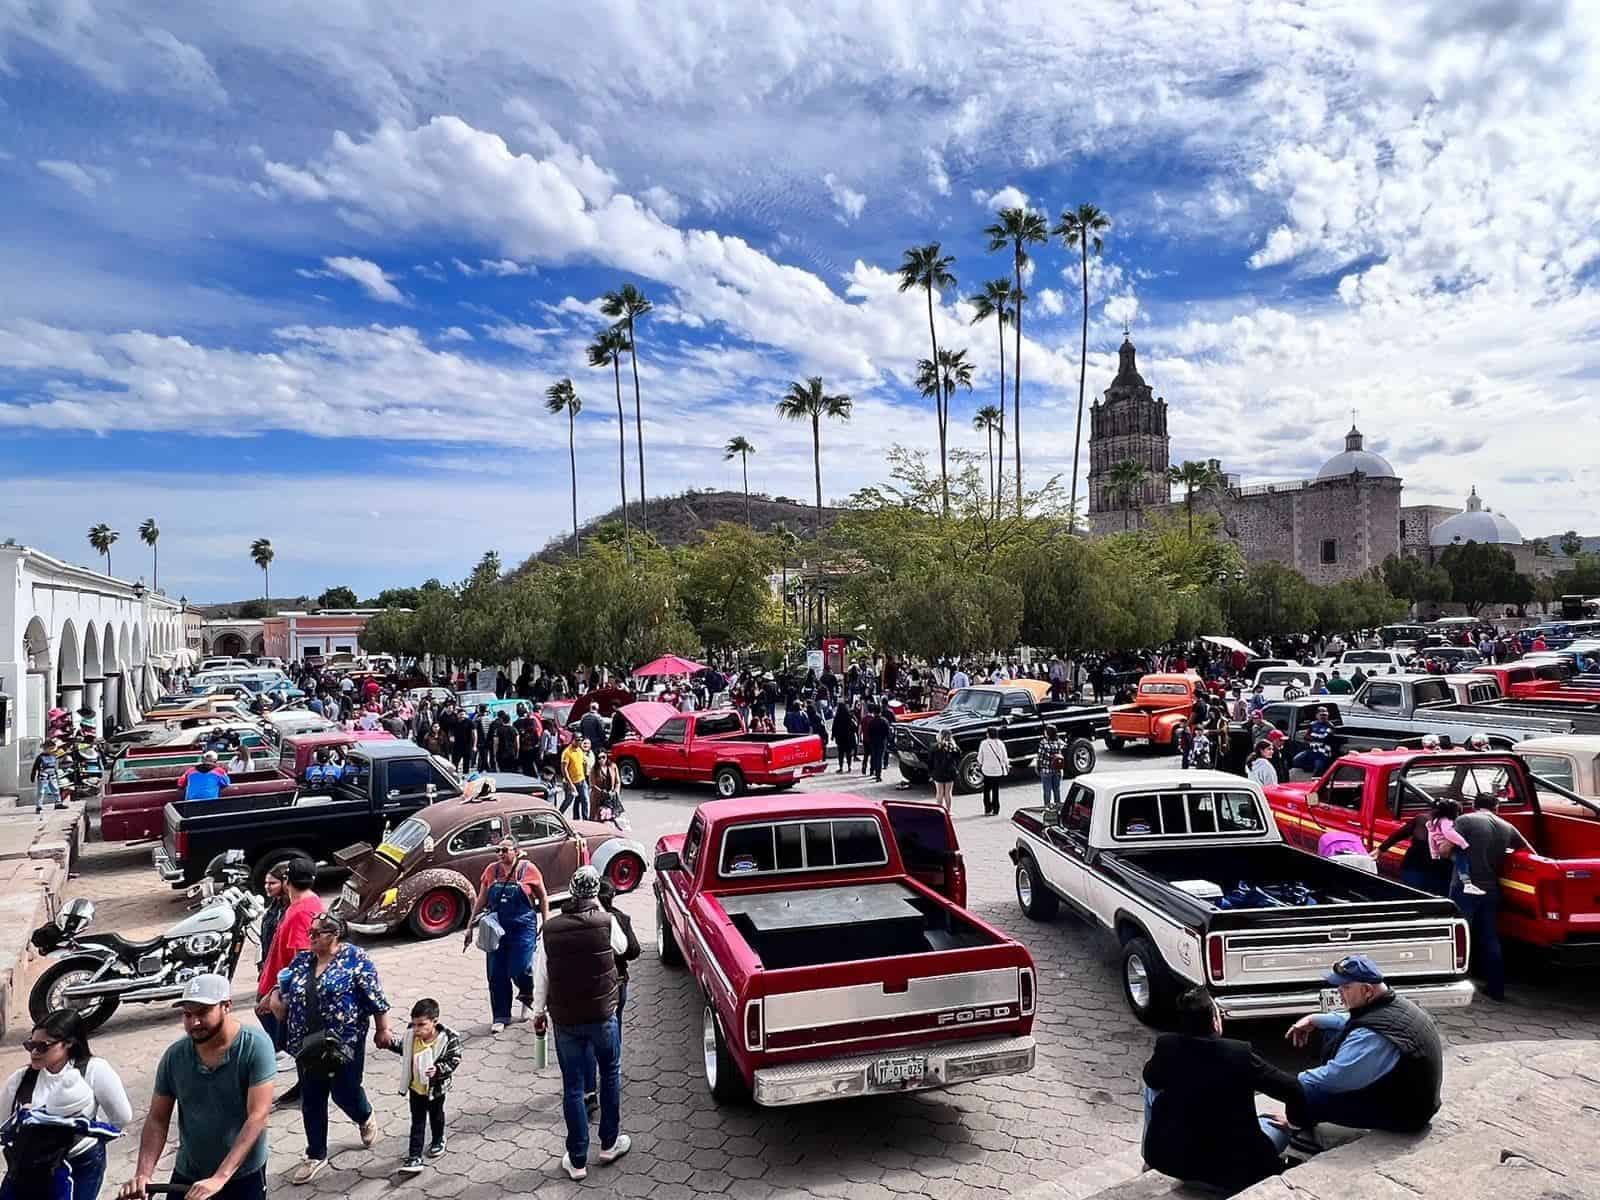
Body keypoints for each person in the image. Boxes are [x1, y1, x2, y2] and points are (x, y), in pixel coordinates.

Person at [119, 974, 275, 1200]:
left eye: (202, 1013)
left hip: (241, 1173)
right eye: (187, 1014)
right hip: (189, 1171)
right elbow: (157, 1119)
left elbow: (258, 1116)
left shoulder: (255, 1046)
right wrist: (143, 1174)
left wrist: (220, 1177)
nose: (194, 1023)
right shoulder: (175, 1057)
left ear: (226, 1006)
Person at [267, 914, 395, 1184]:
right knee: (312, 1099)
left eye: (317, 934)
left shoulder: (355, 959)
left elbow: (376, 998)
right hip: (306, 1043)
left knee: (345, 1092)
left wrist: (383, 1029)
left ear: (334, 934)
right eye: (310, 933)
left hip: (344, 1043)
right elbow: (283, 984)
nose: (310, 938)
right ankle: (315, 1153)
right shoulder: (303, 960)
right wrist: (276, 999)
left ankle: (364, 1115)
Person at [1141, 988, 1302, 1194]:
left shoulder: (1167, 1046)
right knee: (1272, 1123)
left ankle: (1149, 1157)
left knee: (1151, 1089)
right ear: (1215, 1022)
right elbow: (1293, 1088)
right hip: (1234, 1169)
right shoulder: (1239, 1054)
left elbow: (1151, 1078)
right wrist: (1295, 1123)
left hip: (1175, 1161)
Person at [531, 866, 631, 1181]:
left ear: (572, 893)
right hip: (603, 1015)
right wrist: (599, 908)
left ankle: (576, 1161)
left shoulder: (550, 929)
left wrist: (538, 1012)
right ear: (595, 895)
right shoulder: (606, 921)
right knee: (610, 1075)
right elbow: (623, 948)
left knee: (573, 1088)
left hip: (566, 1021)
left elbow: (541, 975)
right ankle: (609, 1144)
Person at [1281, 956, 1444, 1137]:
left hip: (1406, 1115)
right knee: (1331, 1031)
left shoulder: (1373, 1035)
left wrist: (1296, 1082)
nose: (1339, 992)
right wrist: (1314, 1019)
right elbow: (1350, 1020)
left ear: (1367, 990)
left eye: (1345, 987)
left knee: (1306, 1093)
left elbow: (1335, 1077)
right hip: (1413, 1097)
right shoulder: (1392, 1003)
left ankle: (1294, 1130)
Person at [2, 1010, 132, 1200]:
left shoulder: (94, 1070)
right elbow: (3, 1122)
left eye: (42, 1046)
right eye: (30, 1045)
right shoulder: (20, 1079)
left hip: (81, 1163)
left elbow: (121, 1117)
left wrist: (88, 1133)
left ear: (68, 1043)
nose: (34, 1052)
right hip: (32, 1166)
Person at [1450, 793, 1531, 1001]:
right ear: (1496, 808)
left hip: (1464, 888)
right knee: (1489, 937)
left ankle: (1455, 981)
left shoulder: (1465, 820)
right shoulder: (1507, 826)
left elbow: (1447, 847)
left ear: (1474, 805)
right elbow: (1528, 851)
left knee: (1459, 935)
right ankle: (1496, 987)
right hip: (1491, 888)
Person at [465, 836, 549, 1034]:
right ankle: (501, 1016)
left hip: (523, 926)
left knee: (521, 968)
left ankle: (529, 995)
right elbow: (482, 898)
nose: (500, 854)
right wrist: (470, 925)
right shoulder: (491, 871)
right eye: (498, 850)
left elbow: (543, 897)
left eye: (505, 850)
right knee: (496, 973)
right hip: (496, 928)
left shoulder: (529, 870)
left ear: (516, 851)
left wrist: (546, 923)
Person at [389, 998, 462, 1175]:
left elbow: (454, 1060)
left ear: (435, 1021)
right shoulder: (411, 1036)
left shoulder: (448, 1039)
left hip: (435, 1090)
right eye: (414, 1025)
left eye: (421, 1025)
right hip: (416, 1088)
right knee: (417, 1121)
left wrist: (438, 1070)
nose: (417, 1029)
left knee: (436, 1116)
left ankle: (438, 1139)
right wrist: (389, 1043)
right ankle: (414, 1156)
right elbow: (404, 1049)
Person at [1291, 708, 1335, 776]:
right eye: (1321, 715)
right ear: (1317, 715)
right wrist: (1316, 737)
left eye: (1325, 715)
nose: (1323, 717)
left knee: (1318, 768)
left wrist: (1314, 736)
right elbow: (1306, 737)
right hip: (1311, 750)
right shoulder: (1312, 724)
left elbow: (1324, 738)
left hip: (1322, 753)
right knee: (1296, 760)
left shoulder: (1330, 726)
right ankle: (1310, 769)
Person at [29, 739, 68, 815]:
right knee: (41, 792)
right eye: (50, 748)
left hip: (52, 776)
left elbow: (55, 766)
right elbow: (35, 767)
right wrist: (33, 775)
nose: (52, 750)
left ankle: (58, 803)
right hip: (43, 777)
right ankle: (39, 806)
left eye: (53, 748)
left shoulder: (54, 756)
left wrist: (57, 775)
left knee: (56, 789)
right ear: (45, 748)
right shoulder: (40, 757)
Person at [977, 726, 1008, 816]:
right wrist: (1005, 765)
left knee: (986, 791)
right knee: (995, 790)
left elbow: (980, 757)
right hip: (997, 770)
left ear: (988, 734)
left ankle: (987, 809)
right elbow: (1004, 756)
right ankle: (996, 810)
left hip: (987, 770)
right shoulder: (1000, 743)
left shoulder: (984, 743)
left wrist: (980, 764)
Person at [1034, 725, 1065, 811]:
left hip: (1046, 770)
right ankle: (1058, 807)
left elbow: (1040, 757)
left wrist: (1038, 767)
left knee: (1047, 790)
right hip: (1057, 769)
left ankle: (1047, 807)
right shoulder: (1059, 742)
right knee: (1056, 790)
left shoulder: (1043, 743)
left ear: (1047, 733)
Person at [589, 749, 623, 825]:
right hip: (598, 797)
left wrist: (615, 792)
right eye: (599, 758)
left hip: (611, 797)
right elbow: (592, 785)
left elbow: (618, 782)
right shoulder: (594, 769)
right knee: (596, 818)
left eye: (603, 757)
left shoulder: (613, 766)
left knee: (611, 817)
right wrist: (602, 792)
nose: (601, 760)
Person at [559, 737, 590, 819]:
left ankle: (586, 820)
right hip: (571, 783)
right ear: (572, 740)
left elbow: (583, 763)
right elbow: (564, 769)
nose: (579, 742)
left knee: (585, 800)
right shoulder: (567, 752)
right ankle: (558, 816)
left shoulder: (579, 750)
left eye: (580, 740)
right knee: (568, 801)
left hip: (581, 781)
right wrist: (570, 784)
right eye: (577, 740)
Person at [929, 732, 960, 811]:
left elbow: (930, 761)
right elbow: (958, 758)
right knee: (948, 793)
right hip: (950, 772)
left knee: (939, 793)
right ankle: (948, 810)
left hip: (938, 772)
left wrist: (931, 772)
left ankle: (939, 810)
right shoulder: (954, 747)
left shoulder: (934, 747)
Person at [831, 703, 858, 773]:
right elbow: (855, 727)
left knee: (841, 753)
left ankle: (841, 767)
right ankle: (849, 767)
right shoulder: (850, 716)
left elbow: (834, 727)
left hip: (840, 738)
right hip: (849, 737)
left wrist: (832, 736)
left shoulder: (837, 717)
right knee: (848, 753)